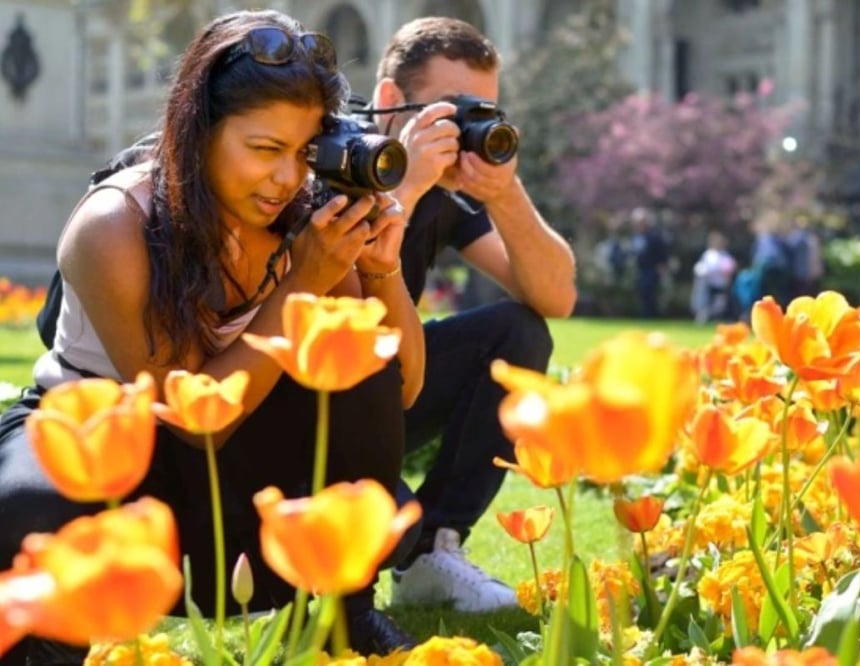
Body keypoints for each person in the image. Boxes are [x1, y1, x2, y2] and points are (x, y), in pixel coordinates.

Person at [0, 10, 424, 663]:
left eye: (303, 154)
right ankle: (49, 638)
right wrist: (302, 283)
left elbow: (398, 385)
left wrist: (378, 270)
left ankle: (351, 616)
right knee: (32, 507)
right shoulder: (115, 224)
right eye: (265, 149)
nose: (286, 179)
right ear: (198, 132)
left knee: (359, 373)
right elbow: (194, 419)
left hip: (224, 463)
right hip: (95, 435)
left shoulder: (305, 217)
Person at [367, 17, 577, 612]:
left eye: (481, 113)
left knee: (519, 331)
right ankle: (397, 545)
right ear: (391, 100)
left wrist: (504, 193)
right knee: (390, 524)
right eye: (451, 110)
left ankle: (434, 550)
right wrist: (404, 188)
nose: (465, 131)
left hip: (391, 390)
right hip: (309, 409)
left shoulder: (446, 187)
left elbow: (555, 297)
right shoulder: (337, 159)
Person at [628, 207, 671, 318]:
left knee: (648, 290)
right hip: (639, 269)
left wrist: (662, 268)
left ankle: (651, 314)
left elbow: (663, 254)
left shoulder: (654, 237)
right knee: (641, 292)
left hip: (652, 269)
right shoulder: (634, 236)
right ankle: (645, 313)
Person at [691, 230, 737, 323]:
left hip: (720, 285)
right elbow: (701, 268)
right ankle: (702, 315)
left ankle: (716, 318)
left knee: (720, 305)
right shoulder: (708, 255)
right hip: (708, 285)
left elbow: (730, 269)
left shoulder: (726, 256)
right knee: (703, 300)